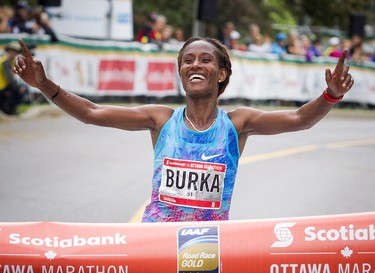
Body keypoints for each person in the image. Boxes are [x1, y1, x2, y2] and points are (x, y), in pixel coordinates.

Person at [13, 38, 354, 222]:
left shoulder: (238, 124)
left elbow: (300, 119)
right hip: (154, 243)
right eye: (188, 59)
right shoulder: (161, 120)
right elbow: (92, 112)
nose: (195, 64)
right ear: (180, 72)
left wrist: (331, 95)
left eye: (206, 59)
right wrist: (43, 84)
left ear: (221, 74)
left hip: (208, 246)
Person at [0, 41, 28, 115]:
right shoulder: (5, 61)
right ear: (8, 51)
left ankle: (9, 110)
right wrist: (18, 88)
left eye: (16, 52)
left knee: (22, 87)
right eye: (13, 51)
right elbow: (10, 79)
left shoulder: (9, 61)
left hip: (4, 86)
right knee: (22, 89)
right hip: (2, 87)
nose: (15, 53)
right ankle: (10, 110)